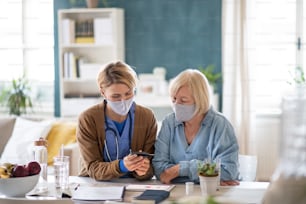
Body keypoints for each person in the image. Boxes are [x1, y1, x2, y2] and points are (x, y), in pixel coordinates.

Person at [152, 69, 240, 186]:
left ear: (200, 100)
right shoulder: (169, 123)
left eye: (183, 100)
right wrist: (208, 176)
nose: (176, 104)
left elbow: (228, 171)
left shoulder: (220, 125)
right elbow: (160, 170)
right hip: (177, 192)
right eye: (174, 99)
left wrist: (179, 169)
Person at [77, 61, 158, 181]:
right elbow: (93, 168)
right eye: (116, 96)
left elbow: (152, 165)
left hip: (133, 184)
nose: (123, 100)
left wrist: (144, 170)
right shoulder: (88, 119)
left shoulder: (147, 117)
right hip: (95, 185)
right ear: (103, 92)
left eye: (128, 93)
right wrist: (122, 166)